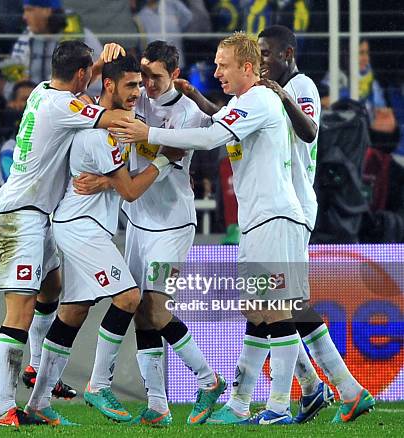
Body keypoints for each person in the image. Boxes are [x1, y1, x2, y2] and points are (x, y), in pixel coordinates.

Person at [111, 31, 307, 425]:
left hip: (275, 216)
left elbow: (212, 135)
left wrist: (149, 133)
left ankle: (280, 407)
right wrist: (198, 101)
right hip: (254, 221)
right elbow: (219, 120)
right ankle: (239, 404)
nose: (215, 71)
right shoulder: (243, 102)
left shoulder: (261, 100)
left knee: (276, 308)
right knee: (256, 311)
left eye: (223, 65)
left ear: (247, 68)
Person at [209, 24, 371, 425]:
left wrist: (282, 96)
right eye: (258, 55)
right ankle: (334, 389)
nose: (262, 62)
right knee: (277, 305)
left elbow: (310, 131)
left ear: (287, 53)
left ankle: (283, 398)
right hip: (272, 209)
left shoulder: (300, 87)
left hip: (291, 206)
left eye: (267, 54)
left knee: (279, 305)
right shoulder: (260, 96)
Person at [74, 41, 226, 427]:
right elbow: (91, 105)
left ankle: (208, 380)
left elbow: (169, 154)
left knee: (157, 309)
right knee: (141, 312)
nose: (147, 84)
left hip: (172, 225)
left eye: (156, 77)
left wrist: (113, 179)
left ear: (175, 75)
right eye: (142, 77)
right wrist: (99, 67)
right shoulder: (135, 99)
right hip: (138, 223)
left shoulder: (188, 114)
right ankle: (157, 404)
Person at [23, 54, 180, 426]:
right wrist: (165, 162)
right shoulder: (98, 134)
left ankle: (38, 403)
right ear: (108, 85)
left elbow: (117, 181)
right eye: (130, 85)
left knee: (73, 311)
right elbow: (130, 192)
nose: (136, 93)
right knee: (129, 298)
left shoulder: (104, 118)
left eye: (139, 85)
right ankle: (99, 383)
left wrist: (107, 180)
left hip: (83, 223)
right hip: (81, 226)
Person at [0, 40, 133, 427]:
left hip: (37, 214)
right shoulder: (63, 106)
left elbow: (81, 88)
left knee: (51, 289)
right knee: (18, 311)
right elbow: (112, 119)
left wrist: (100, 62)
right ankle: (3, 408)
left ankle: (36, 369)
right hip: (20, 215)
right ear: (83, 75)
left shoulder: (42, 90)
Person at [0, 0, 103, 98]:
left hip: (73, 108)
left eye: (29, 10)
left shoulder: (83, 39)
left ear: (47, 11)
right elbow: (12, 83)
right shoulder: (25, 39)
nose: (24, 17)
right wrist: (18, 90)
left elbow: (98, 84)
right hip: (34, 106)